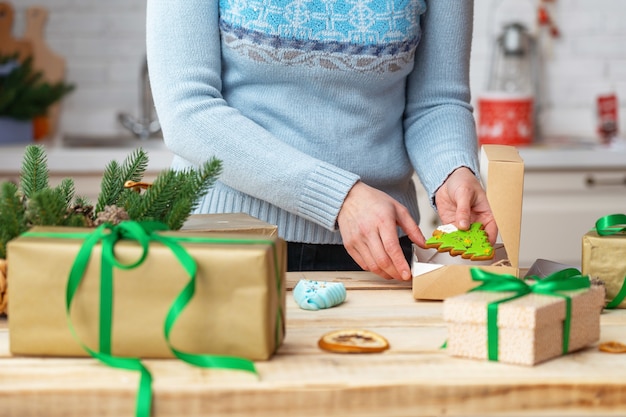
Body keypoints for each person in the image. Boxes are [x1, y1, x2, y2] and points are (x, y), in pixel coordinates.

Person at [146, 0, 497, 281]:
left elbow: (436, 102)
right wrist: (340, 197)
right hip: (227, 240)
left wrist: (452, 170)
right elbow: (187, 109)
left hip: (377, 250)